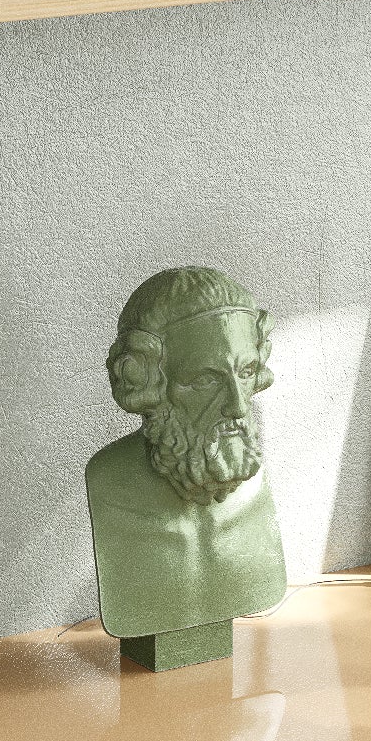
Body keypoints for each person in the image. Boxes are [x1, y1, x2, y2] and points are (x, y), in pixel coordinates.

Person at [84, 266, 287, 667]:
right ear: (151, 382)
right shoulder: (109, 481)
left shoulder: (250, 470)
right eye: (206, 380)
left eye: (246, 372)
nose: (238, 406)